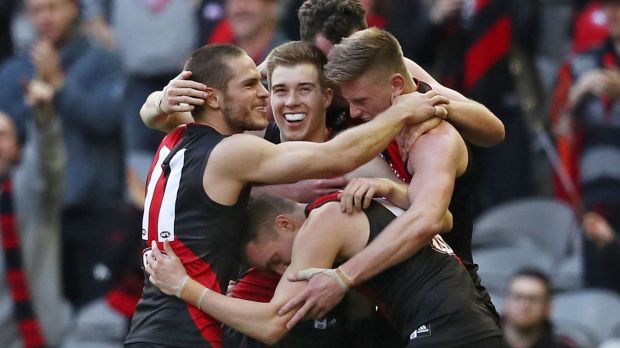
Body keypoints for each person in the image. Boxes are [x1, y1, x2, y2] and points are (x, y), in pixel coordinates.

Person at [124, 43, 448, 347]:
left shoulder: (176, 139)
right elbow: (337, 157)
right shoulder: (230, 153)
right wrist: (402, 112)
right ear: (212, 98)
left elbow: (151, 114)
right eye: (251, 85)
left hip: (149, 329)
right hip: (185, 334)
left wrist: (158, 103)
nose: (263, 94)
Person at [277, 27, 499, 330]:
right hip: (397, 305)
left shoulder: (431, 131)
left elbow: (432, 220)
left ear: (396, 85)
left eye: (361, 101)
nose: (353, 111)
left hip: (449, 298)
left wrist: (343, 277)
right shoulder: (360, 93)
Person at [145, 193, 503, 347]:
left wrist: (184, 287)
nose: (284, 270)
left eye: (275, 261)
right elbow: (442, 216)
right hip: (471, 325)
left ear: (285, 224)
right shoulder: (353, 203)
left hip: (445, 333)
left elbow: (272, 325)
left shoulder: (321, 224)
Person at [0, 0, 126, 307]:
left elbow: (106, 119)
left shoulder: (105, 61)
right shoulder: (14, 70)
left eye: (53, 7)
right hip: (34, 215)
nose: (45, 17)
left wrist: (58, 85)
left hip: (93, 210)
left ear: (74, 8)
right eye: (36, 10)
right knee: (40, 312)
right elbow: (8, 131)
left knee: (95, 313)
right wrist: (38, 98)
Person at [0, 80, 68, 347]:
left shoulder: (30, 193)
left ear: (17, 148)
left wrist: (44, 120)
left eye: (3, 135)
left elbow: (47, 165)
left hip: (37, 337)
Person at [502, 269, 578, 348]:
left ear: (548, 307)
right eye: (517, 297)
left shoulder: (563, 345)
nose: (524, 306)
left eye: (533, 299)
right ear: (506, 301)